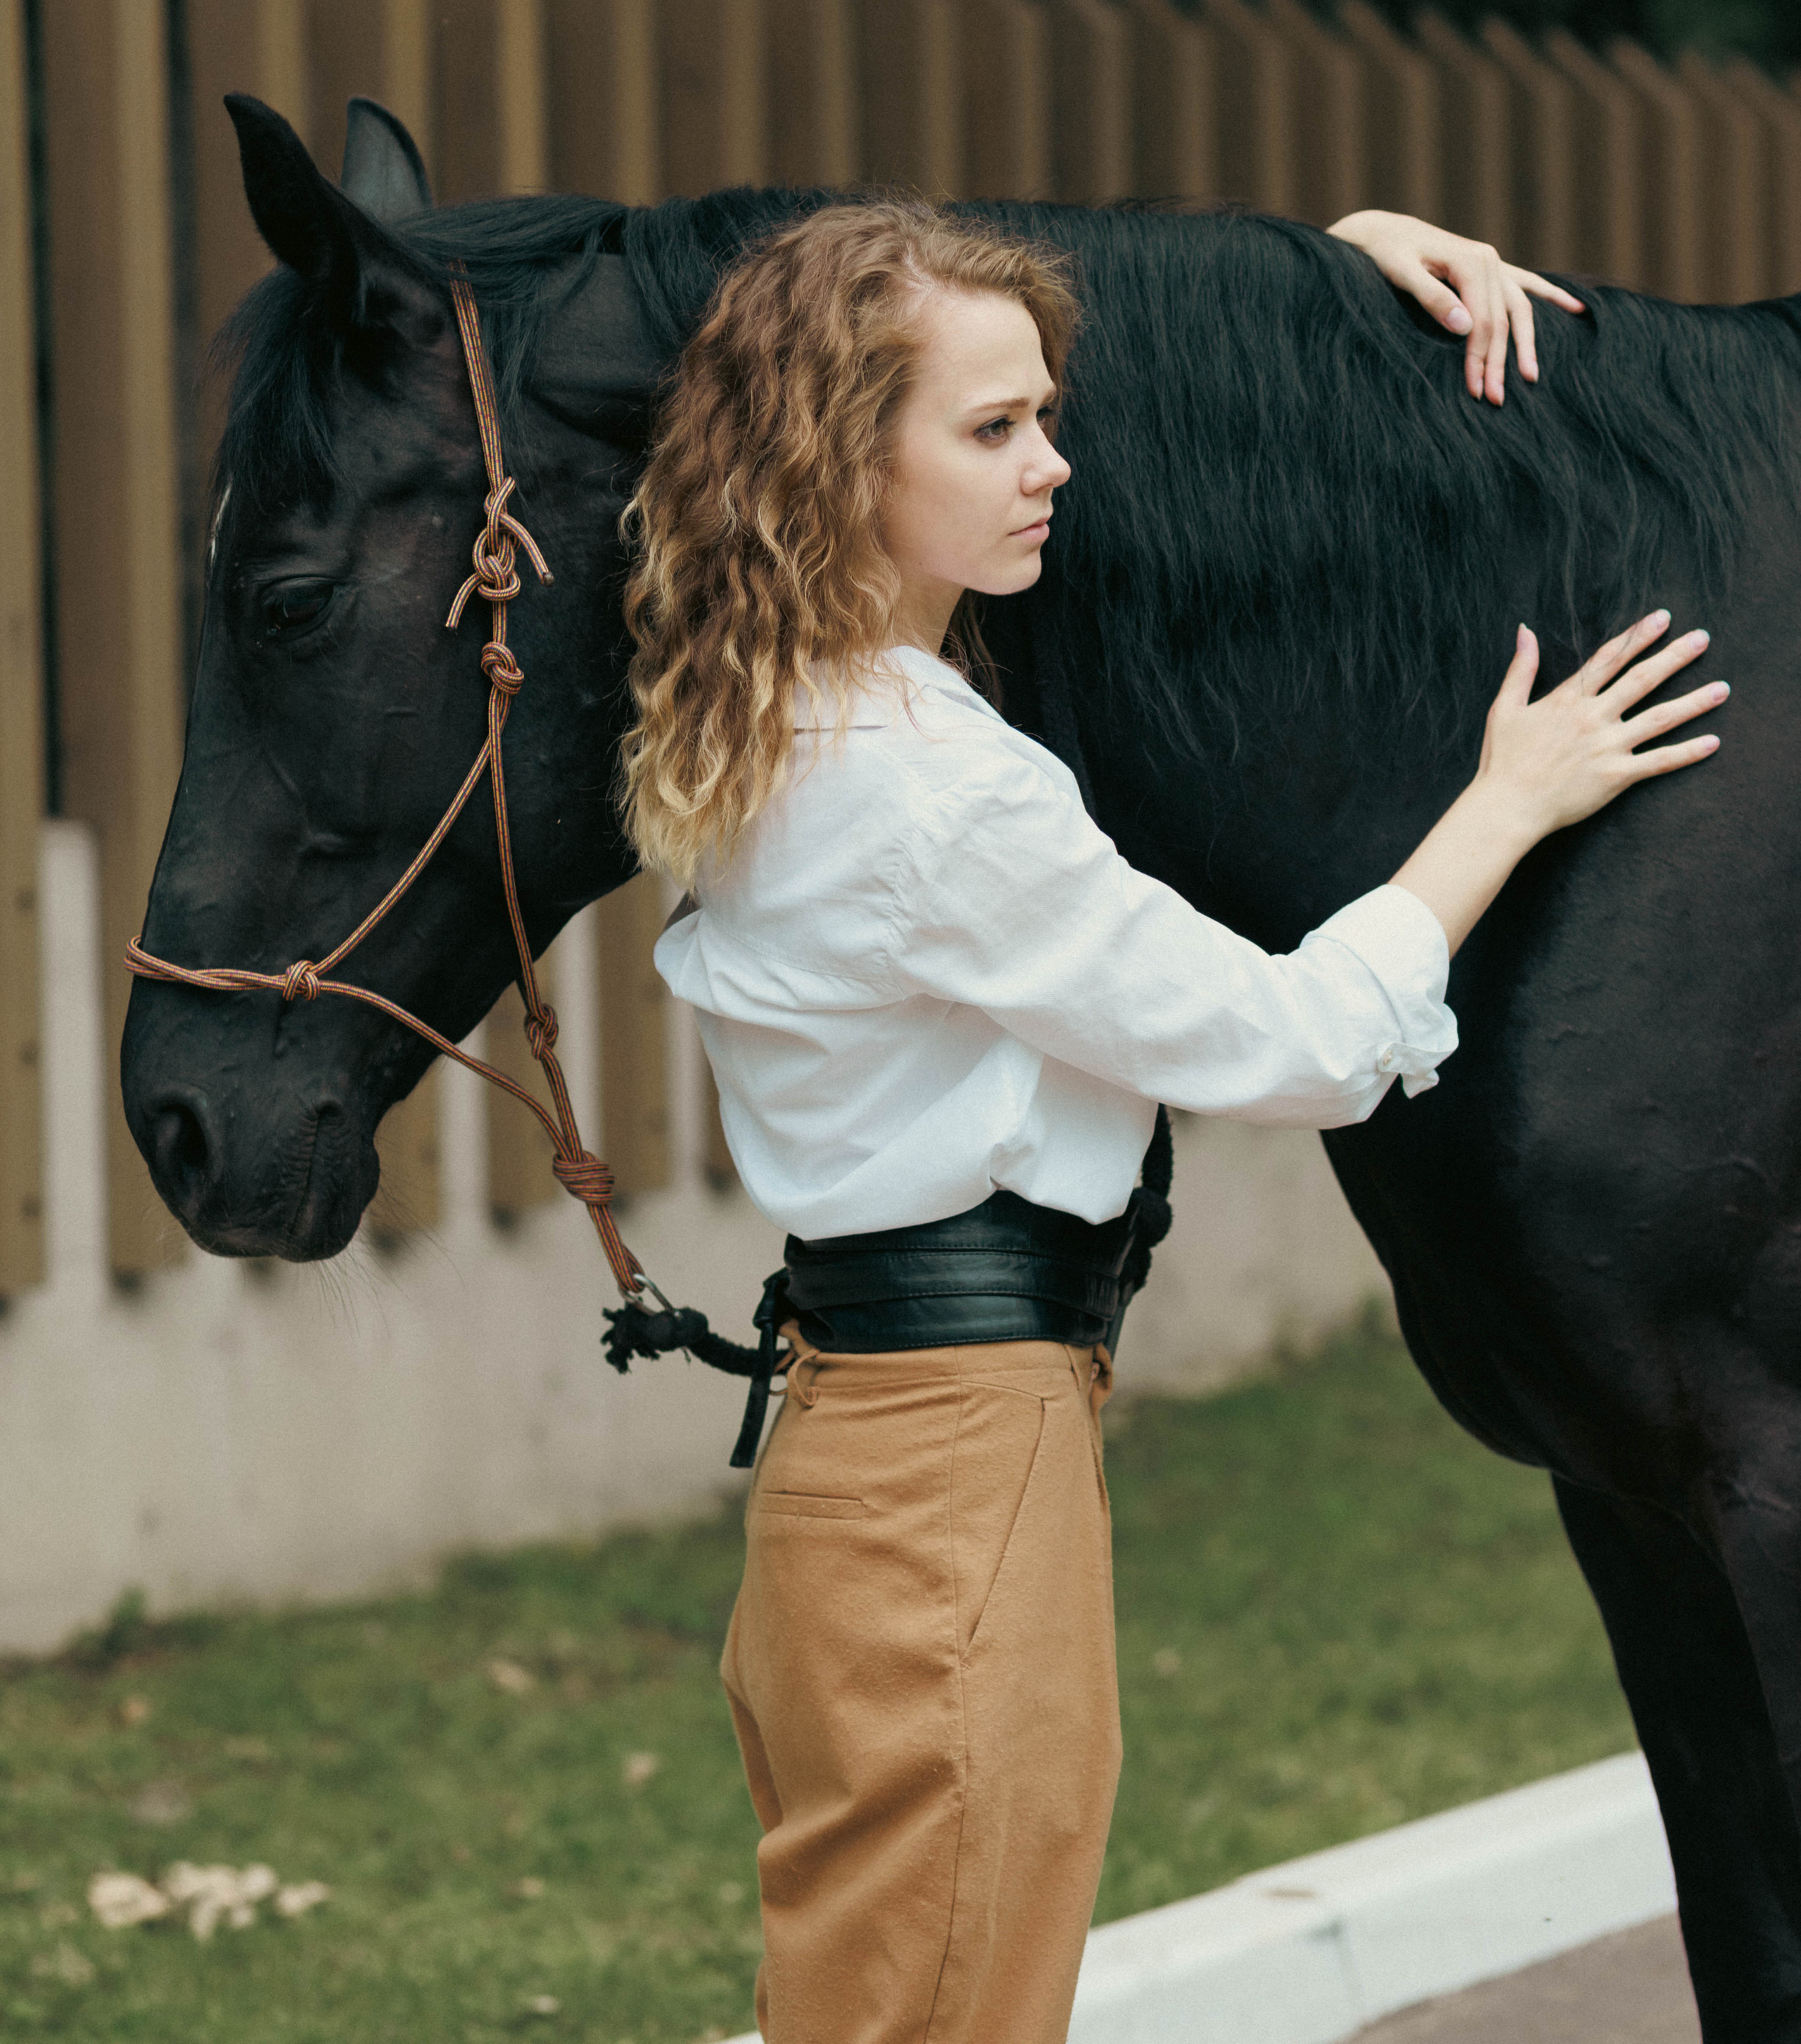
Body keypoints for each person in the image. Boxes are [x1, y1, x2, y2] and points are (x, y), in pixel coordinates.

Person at [621, 201, 1726, 2044]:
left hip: (867, 1461)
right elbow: (1305, 1042)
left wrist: (1333, 256)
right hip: (960, 1476)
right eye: (995, 433)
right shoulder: (930, 796)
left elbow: (916, 325)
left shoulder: (768, 713)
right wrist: (1508, 801)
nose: (1055, 466)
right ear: (836, 455)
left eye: (1049, 415)